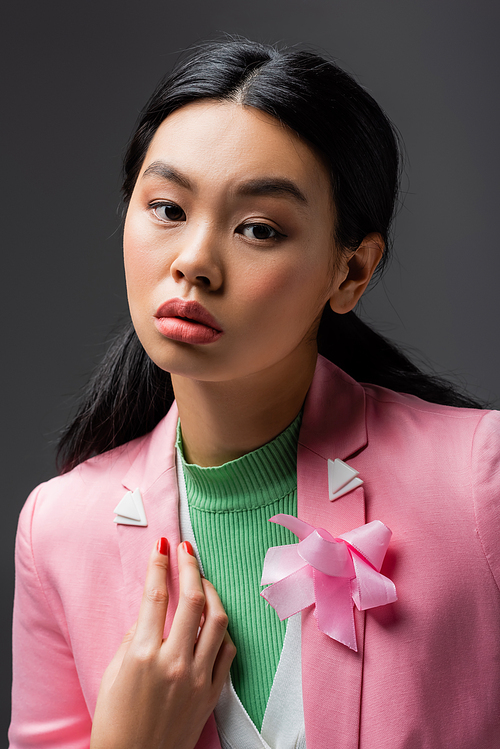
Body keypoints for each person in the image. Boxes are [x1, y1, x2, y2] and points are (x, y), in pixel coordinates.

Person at [10, 38, 500, 749]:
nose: (194, 262)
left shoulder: (479, 479)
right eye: (168, 208)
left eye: (258, 228)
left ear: (352, 272)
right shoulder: (58, 529)